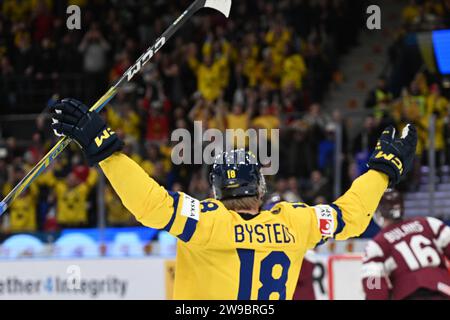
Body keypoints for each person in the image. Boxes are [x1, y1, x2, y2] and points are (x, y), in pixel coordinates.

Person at [49, 98, 417, 300]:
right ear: (260, 188)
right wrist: (382, 170)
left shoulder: (206, 222)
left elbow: (151, 204)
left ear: (215, 191)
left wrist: (106, 150)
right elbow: (350, 215)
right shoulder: (295, 222)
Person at [361, 189, 450, 300]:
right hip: (442, 292)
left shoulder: (377, 244)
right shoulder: (428, 223)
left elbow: (374, 286)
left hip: (409, 294)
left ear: (378, 214)